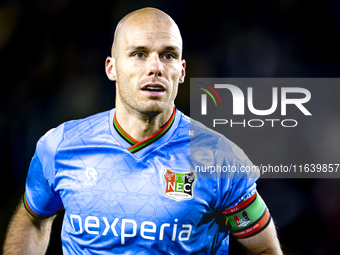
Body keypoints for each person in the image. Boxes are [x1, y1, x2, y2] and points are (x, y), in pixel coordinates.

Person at [3, 7, 283, 255]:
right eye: (139, 54)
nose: (155, 68)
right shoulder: (61, 146)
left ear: (182, 71)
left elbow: (265, 248)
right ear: (112, 68)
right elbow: (33, 219)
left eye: (168, 55)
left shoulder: (220, 158)